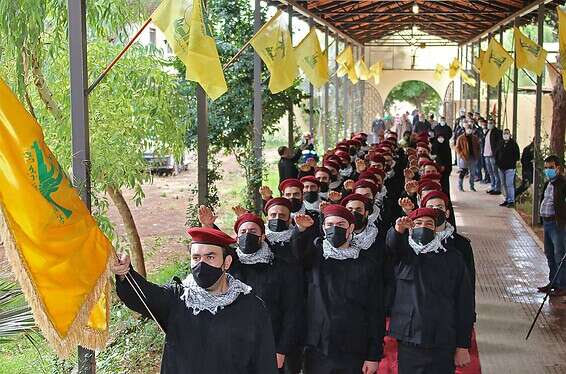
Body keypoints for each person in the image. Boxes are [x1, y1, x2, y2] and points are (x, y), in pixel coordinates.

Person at [111, 227, 278, 373]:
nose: (201, 264)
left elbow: (264, 363)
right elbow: (141, 296)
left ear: (226, 262)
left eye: (210, 257)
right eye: (196, 258)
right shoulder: (178, 298)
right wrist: (125, 273)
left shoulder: (252, 307)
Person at [292, 205, 384, 374]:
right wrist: (301, 230)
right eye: (329, 224)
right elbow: (297, 254)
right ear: (323, 228)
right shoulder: (314, 256)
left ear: (351, 228)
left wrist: (373, 355)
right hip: (318, 348)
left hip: (355, 348)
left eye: (341, 224)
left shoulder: (367, 263)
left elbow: (375, 311)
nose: (334, 229)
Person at [386, 208, 474, 374]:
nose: (423, 227)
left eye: (428, 224)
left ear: (435, 229)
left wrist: (463, 345)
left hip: (442, 339)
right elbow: (392, 246)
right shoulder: (404, 255)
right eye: (418, 224)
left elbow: (464, 304)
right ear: (411, 228)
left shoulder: (452, 258)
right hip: (410, 339)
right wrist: (398, 230)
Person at [229, 213, 304, 373]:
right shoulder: (230, 266)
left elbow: (292, 310)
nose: (247, 235)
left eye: (253, 231)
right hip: (235, 345)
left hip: (271, 345)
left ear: (263, 236)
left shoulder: (281, 267)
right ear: (236, 237)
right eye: (243, 232)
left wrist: (282, 349)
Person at [537, 155, 566, 297]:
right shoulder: (548, 183)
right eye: (546, 168)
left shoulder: (562, 183)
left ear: (558, 168)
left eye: (551, 168)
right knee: (549, 254)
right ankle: (553, 281)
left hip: (557, 224)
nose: (548, 170)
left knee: (559, 254)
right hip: (547, 222)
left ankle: (562, 285)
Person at [494, 129, 520, 207]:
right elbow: (496, 154)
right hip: (501, 168)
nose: (506, 135)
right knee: (503, 184)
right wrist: (498, 164)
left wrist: (511, 163)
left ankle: (511, 201)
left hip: (510, 168)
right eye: (504, 133)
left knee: (509, 184)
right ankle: (506, 199)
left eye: (507, 133)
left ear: (510, 134)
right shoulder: (500, 143)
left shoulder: (513, 144)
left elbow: (517, 156)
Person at [455, 123, 480, 192]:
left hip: (473, 157)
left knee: (472, 173)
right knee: (463, 172)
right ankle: (460, 187)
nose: (469, 130)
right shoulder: (461, 138)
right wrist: (461, 154)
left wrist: (477, 155)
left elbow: (478, 147)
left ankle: (472, 186)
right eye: (468, 129)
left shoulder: (475, 138)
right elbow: (457, 148)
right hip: (464, 157)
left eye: (470, 129)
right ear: (465, 129)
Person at [483, 119, 503, 195]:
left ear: (494, 124)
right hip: (486, 155)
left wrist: (495, 153)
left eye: (491, 123)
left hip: (492, 155)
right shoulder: (487, 131)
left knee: (495, 172)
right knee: (490, 172)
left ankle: (497, 188)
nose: (489, 124)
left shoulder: (497, 132)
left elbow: (498, 144)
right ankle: (492, 186)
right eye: (488, 123)